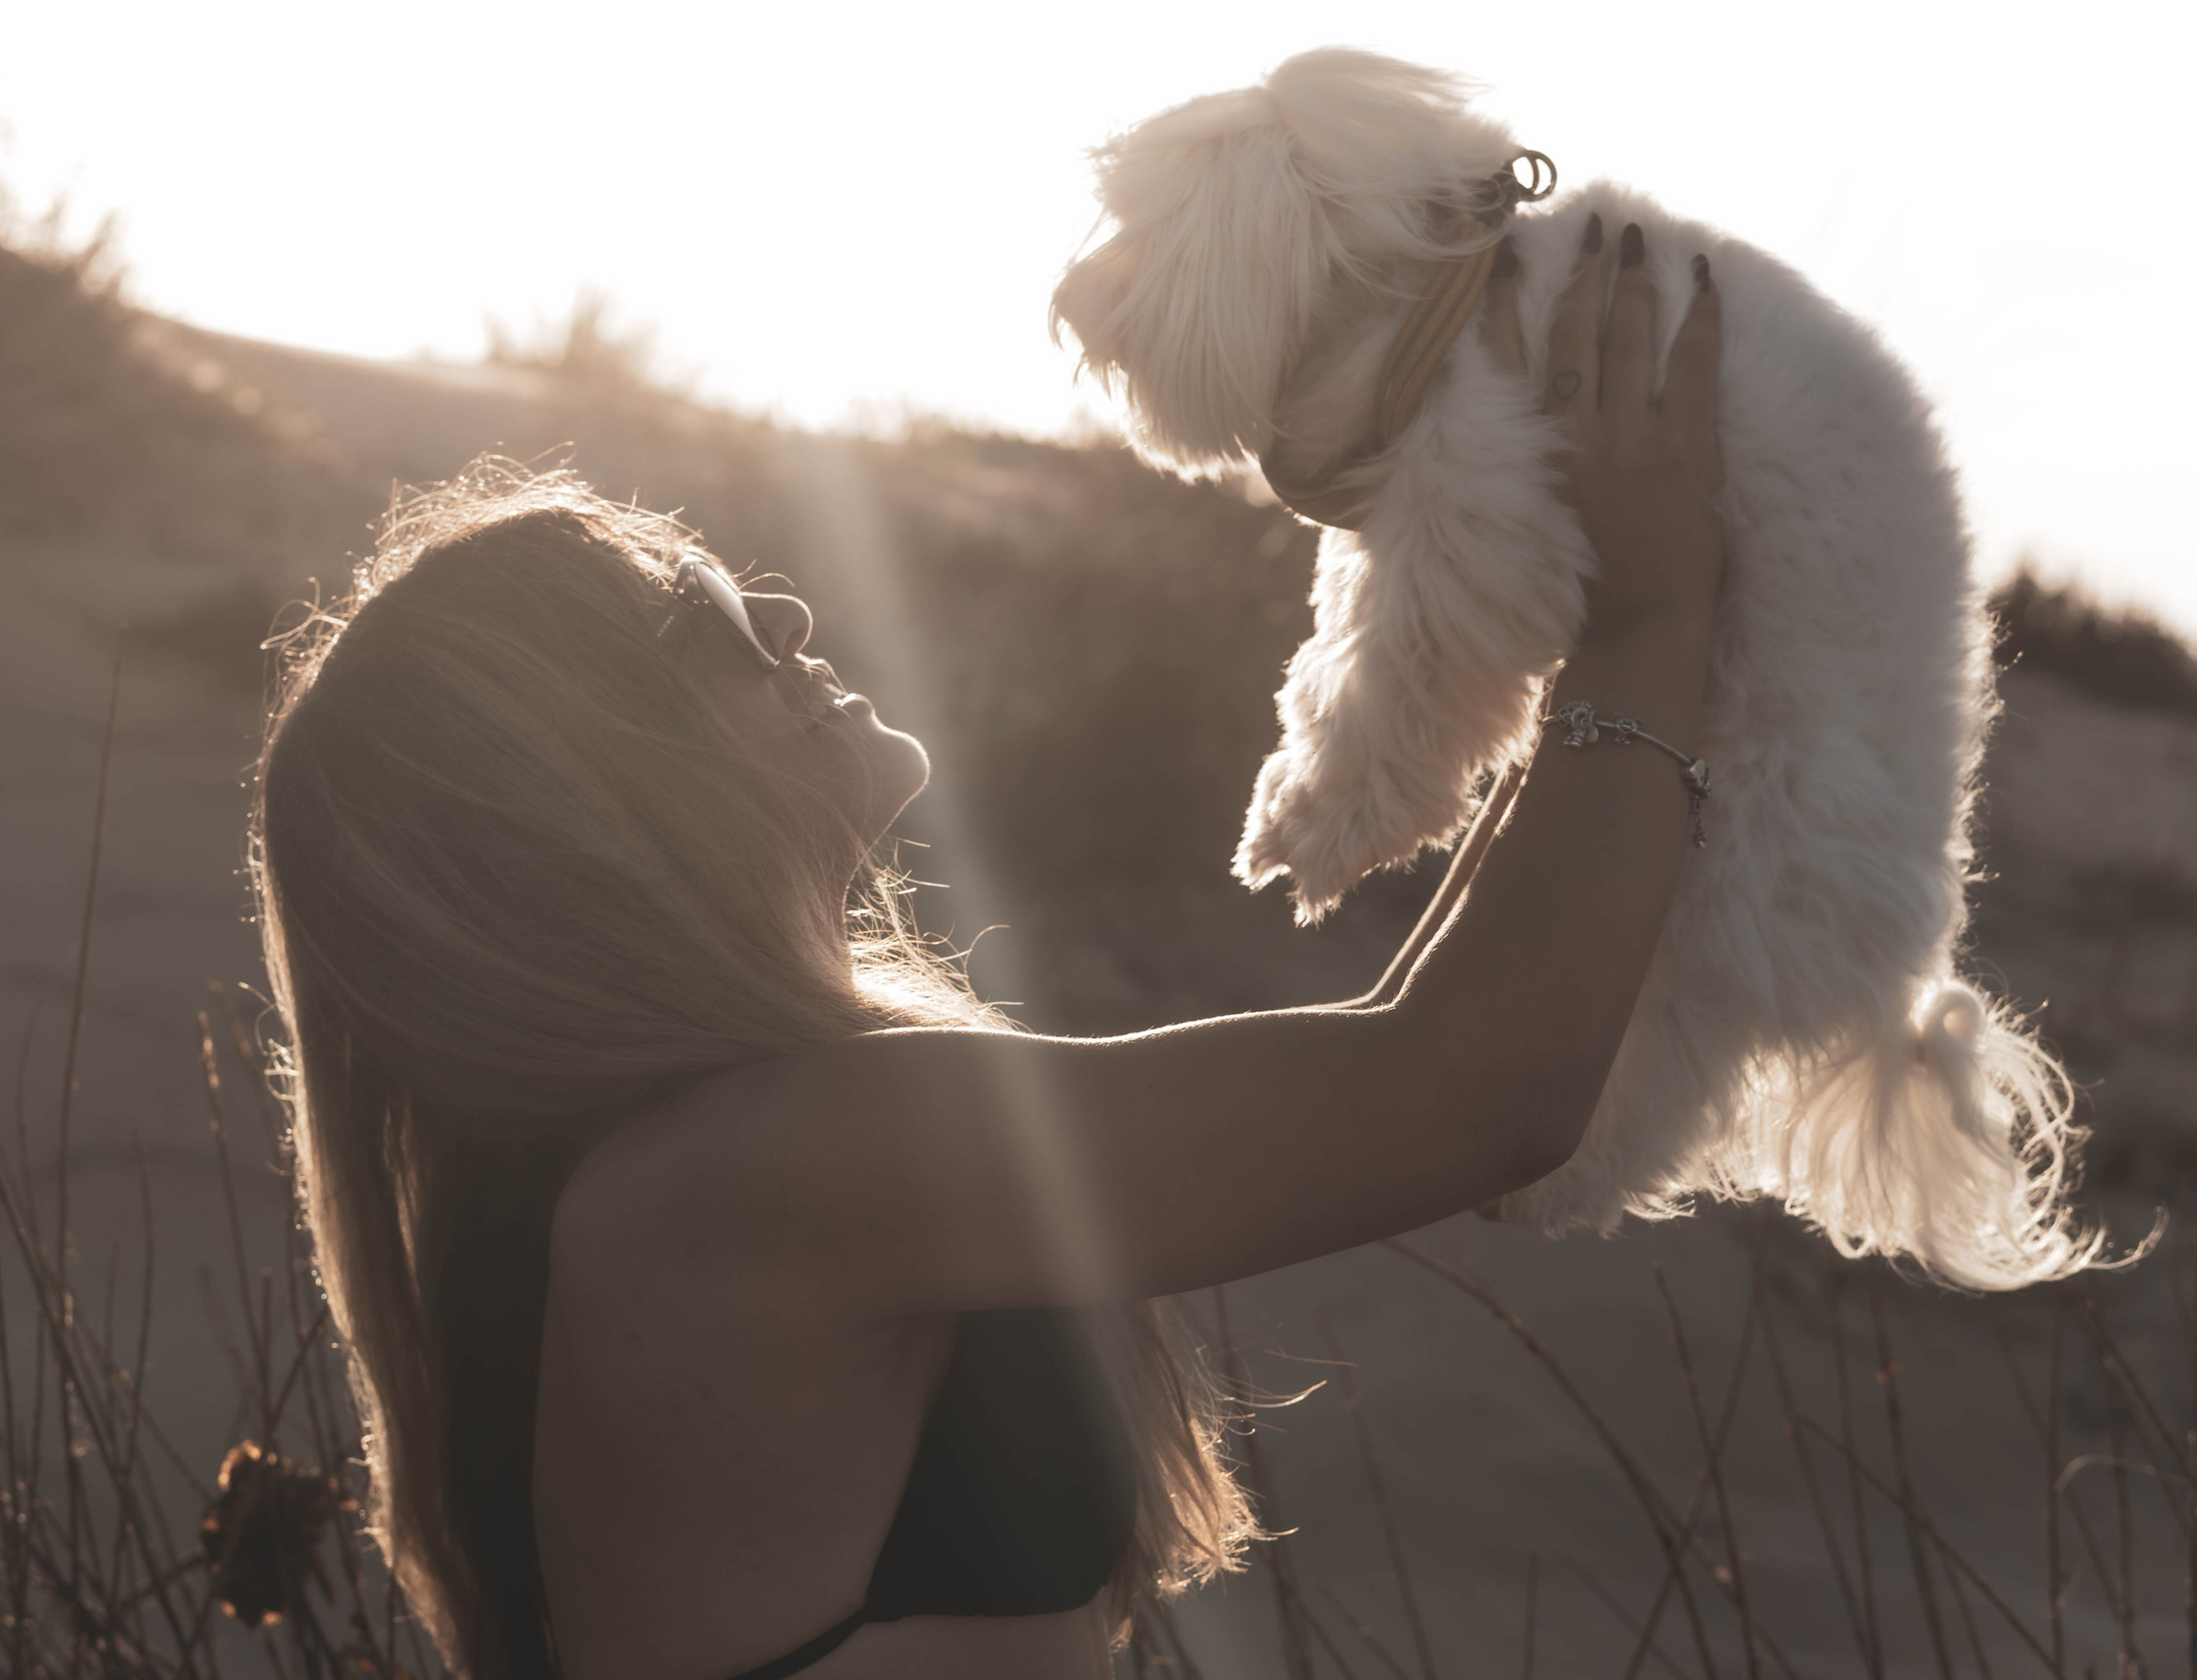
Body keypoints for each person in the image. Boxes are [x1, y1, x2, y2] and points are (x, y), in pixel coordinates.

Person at [251, 217, 1724, 1680]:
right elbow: (1472, 1089)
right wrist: (1650, 616)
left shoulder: (676, 1169)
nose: (781, 610)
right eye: (697, 621)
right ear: (585, 796)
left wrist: (1566, 653)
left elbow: (1420, 1039)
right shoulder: (757, 1168)